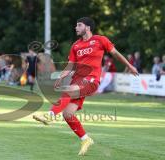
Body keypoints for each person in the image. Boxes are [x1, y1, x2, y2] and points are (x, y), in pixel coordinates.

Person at [33, 17, 138, 156]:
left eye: (79, 25)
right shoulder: (75, 45)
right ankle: (86, 139)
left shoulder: (101, 40)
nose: (76, 28)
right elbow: (70, 66)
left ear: (87, 27)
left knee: (69, 90)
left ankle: (50, 115)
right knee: (67, 114)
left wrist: (129, 66)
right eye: (76, 25)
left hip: (91, 80)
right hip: (77, 81)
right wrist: (61, 76)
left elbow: (116, 53)